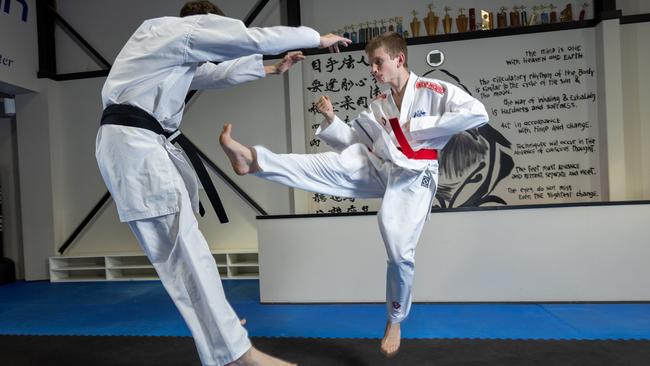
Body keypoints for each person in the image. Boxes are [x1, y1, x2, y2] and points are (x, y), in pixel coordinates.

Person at [95, 1, 351, 365]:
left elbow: (213, 75)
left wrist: (271, 69)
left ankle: (222, 333)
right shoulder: (176, 30)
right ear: (204, 22)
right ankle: (239, 355)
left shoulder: (166, 53)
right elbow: (247, 38)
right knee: (185, 252)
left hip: (136, 146)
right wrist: (316, 38)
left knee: (184, 252)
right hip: (136, 147)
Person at [219, 31, 489, 357]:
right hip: (382, 165)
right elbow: (357, 142)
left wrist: (418, 128)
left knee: (400, 248)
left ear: (399, 59)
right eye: (370, 64)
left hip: (416, 175)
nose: (373, 69)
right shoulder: (381, 104)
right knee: (332, 164)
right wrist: (332, 119)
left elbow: (477, 113)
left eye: (378, 62)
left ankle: (395, 316)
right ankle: (255, 160)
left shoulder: (432, 90)